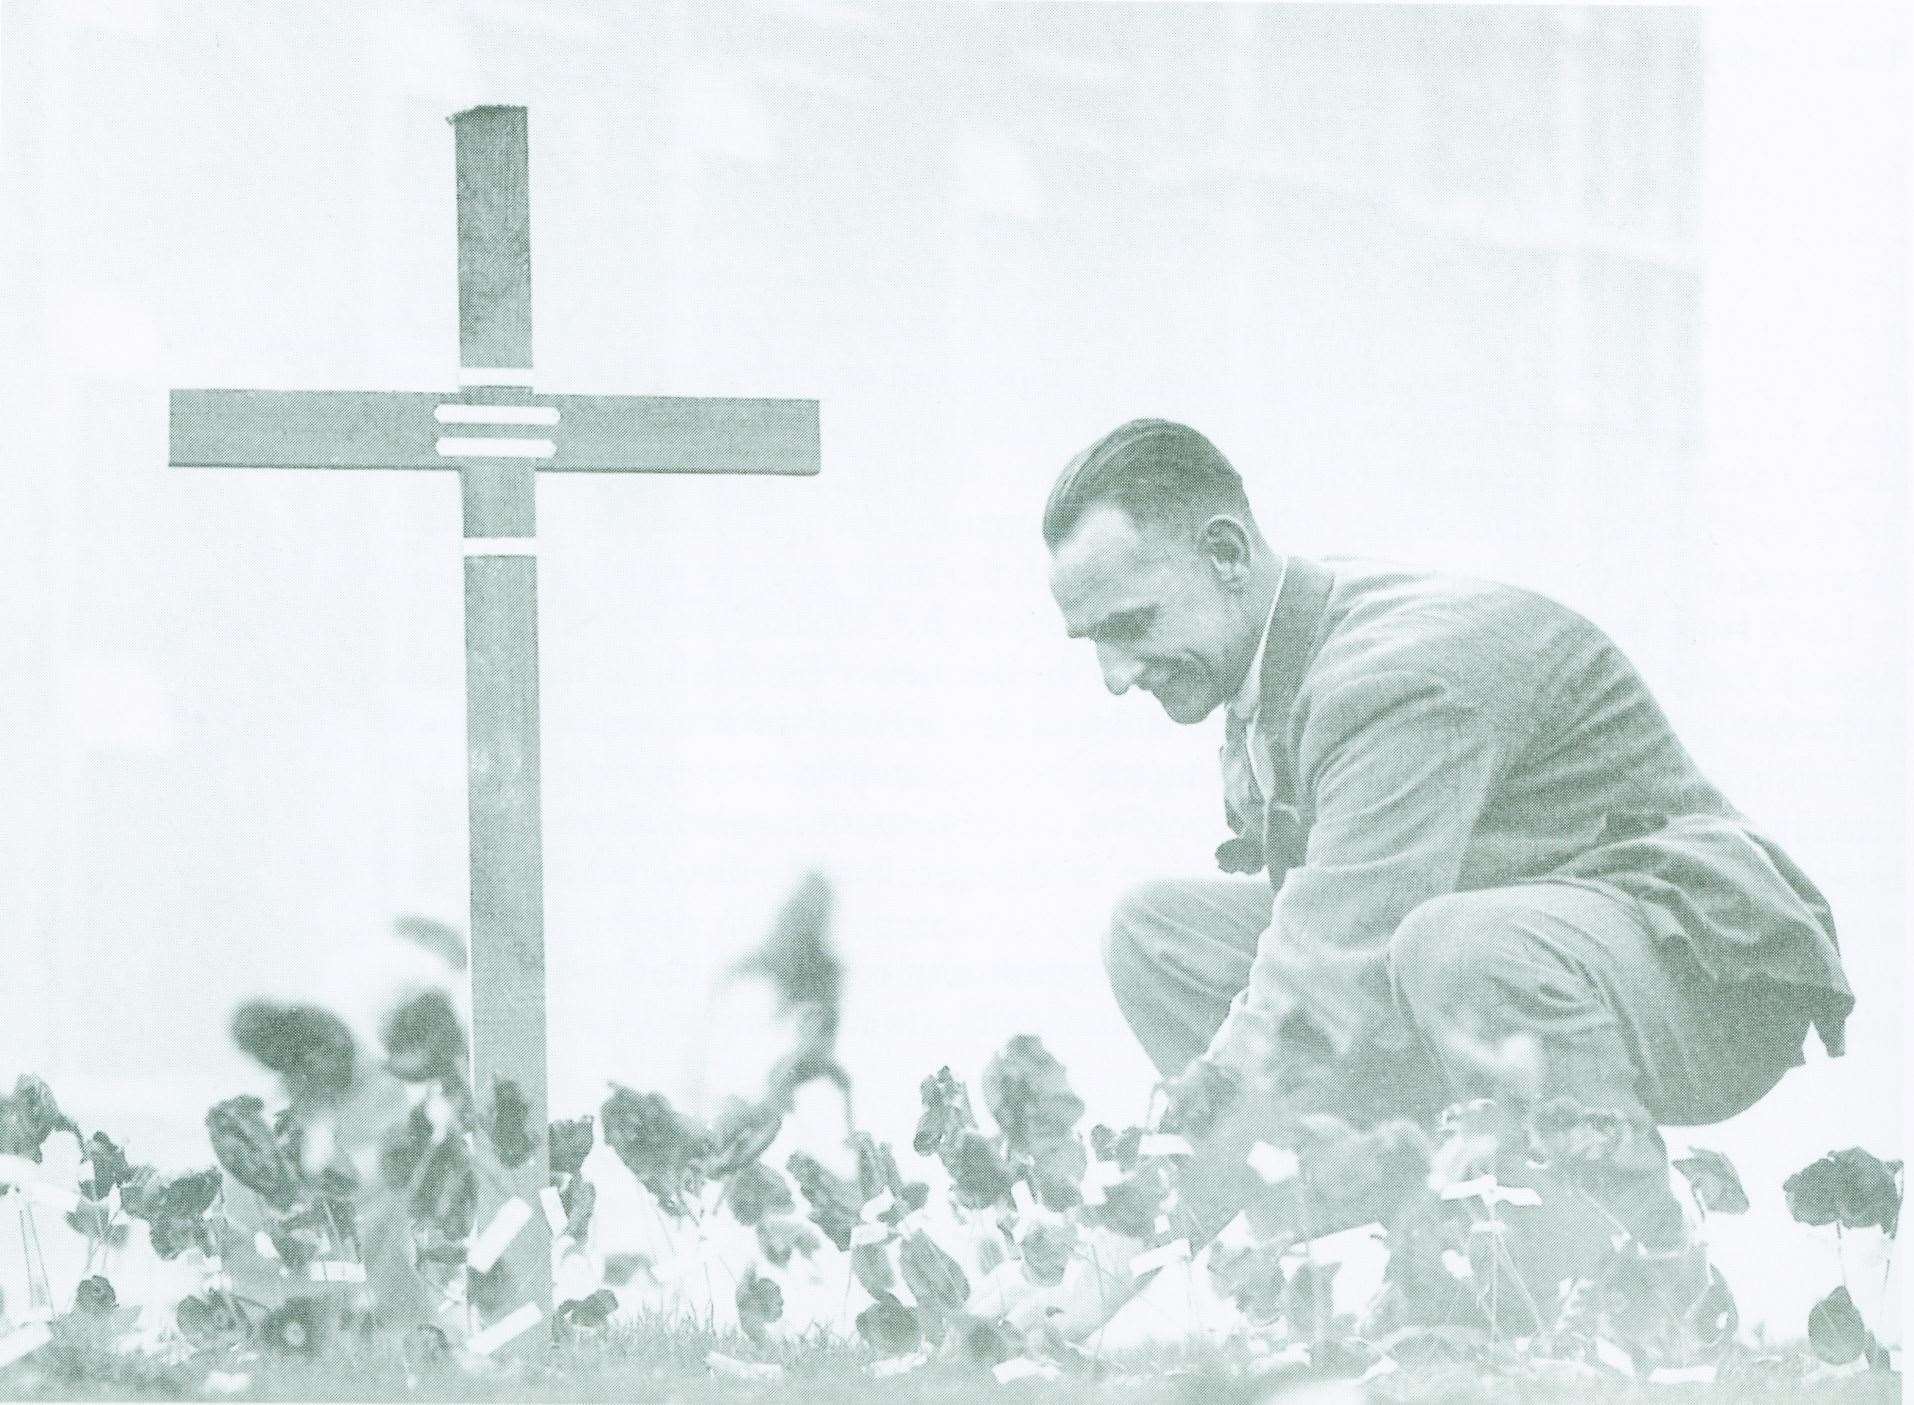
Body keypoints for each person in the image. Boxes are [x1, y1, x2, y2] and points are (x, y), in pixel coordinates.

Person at [1035, 417, 1853, 1345]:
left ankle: (1656, 1281)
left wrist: (1111, 1252)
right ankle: (1442, 1241)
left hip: (1704, 969)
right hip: (1512, 960)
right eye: (1091, 640)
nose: (1112, 675)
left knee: (1446, 948)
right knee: (1157, 935)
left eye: (1132, 625)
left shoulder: (1389, 679)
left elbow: (1310, 994)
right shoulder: (1273, 649)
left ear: (1225, 552)